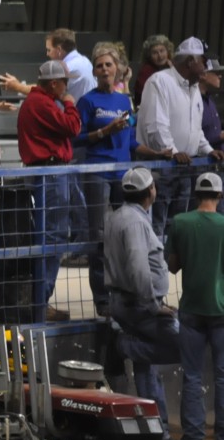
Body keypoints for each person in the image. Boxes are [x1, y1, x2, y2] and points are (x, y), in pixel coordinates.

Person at [76, 45, 167, 315]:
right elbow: (76, 138)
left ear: (118, 70)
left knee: (133, 231)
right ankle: (102, 301)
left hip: (122, 175)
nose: (104, 69)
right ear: (94, 71)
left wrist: (156, 153)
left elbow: (131, 142)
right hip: (97, 172)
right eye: (99, 66)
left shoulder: (123, 102)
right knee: (99, 237)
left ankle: (131, 294)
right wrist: (104, 131)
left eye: (108, 65)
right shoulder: (88, 101)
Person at [103, 166, 182, 440]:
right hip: (138, 304)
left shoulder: (118, 216)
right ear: (150, 192)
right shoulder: (135, 222)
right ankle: (123, 346)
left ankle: (157, 434)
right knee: (187, 345)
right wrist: (153, 305)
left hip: (127, 302)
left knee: (147, 367)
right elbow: (138, 268)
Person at [136, 36, 224, 236]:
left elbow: (196, 130)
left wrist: (209, 150)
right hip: (162, 167)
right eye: (202, 61)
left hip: (185, 168)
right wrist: (174, 152)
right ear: (190, 62)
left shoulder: (193, 88)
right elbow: (157, 126)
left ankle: (169, 266)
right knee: (157, 227)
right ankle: (156, 267)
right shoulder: (160, 81)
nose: (205, 66)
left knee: (177, 228)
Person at [16, 60, 82, 322]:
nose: (68, 86)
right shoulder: (42, 103)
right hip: (51, 173)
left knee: (57, 234)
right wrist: (69, 103)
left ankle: (40, 301)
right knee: (53, 237)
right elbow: (73, 127)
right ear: (54, 83)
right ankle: (40, 302)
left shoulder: (38, 102)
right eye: (65, 82)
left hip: (53, 172)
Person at [165, 171, 224, 440]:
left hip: (191, 310)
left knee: (191, 376)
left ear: (197, 194)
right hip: (221, 311)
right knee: (223, 378)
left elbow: (173, 266)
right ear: (219, 196)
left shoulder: (180, 223)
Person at [134, 34, 174, 107]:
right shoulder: (145, 71)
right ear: (149, 56)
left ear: (168, 51)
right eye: (155, 53)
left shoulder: (174, 67)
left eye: (162, 51)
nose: (160, 56)